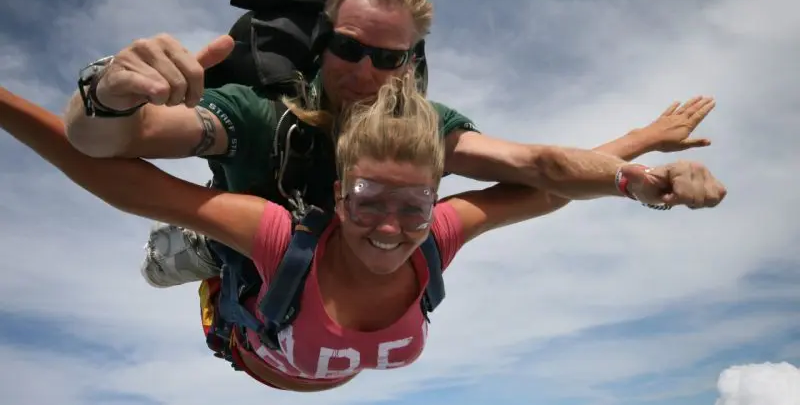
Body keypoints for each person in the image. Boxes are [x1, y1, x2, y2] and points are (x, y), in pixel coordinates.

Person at [0, 75, 725, 391]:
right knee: (211, 233)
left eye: (414, 204)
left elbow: (545, 189)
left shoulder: (439, 234)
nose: (390, 227)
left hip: (284, 351)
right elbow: (115, 179)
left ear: (435, 197)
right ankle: (195, 250)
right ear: (340, 192)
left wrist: (640, 160)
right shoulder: (282, 235)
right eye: (370, 199)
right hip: (247, 328)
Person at [60, 0, 721, 290]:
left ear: (410, 64)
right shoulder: (263, 114)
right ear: (321, 46)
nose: (365, 72)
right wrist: (108, 92)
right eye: (348, 48)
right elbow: (106, 142)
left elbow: (541, 171)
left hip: (339, 269)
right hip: (251, 264)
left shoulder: (420, 133)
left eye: (388, 57)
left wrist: (640, 170)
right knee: (190, 257)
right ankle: (205, 247)